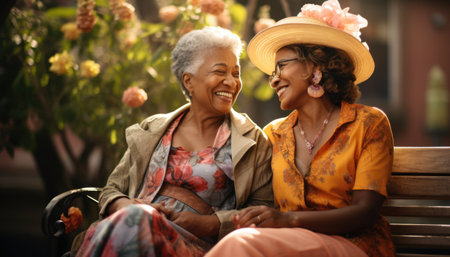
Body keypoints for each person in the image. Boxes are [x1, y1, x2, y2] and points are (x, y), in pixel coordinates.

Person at [204, 0, 395, 256]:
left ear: (316, 67)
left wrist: (288, 220)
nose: (273, 80)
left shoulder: (368, 123)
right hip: (287, 245)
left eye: (282, 66)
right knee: (242, 239)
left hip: (355, 245)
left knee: (242, 244)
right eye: (274, 71)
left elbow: (365, 212)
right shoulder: (273, 134)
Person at [74, 26, 273, 257]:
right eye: (220, 72)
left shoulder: (251, 139)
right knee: (137, 219)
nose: (231, 82)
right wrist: (125, 206)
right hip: (132, 229)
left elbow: (264, 209)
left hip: (196, 246)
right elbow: (113, 189)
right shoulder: (153, 129)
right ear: (189, 81)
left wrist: (210, 223)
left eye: (235, 73)